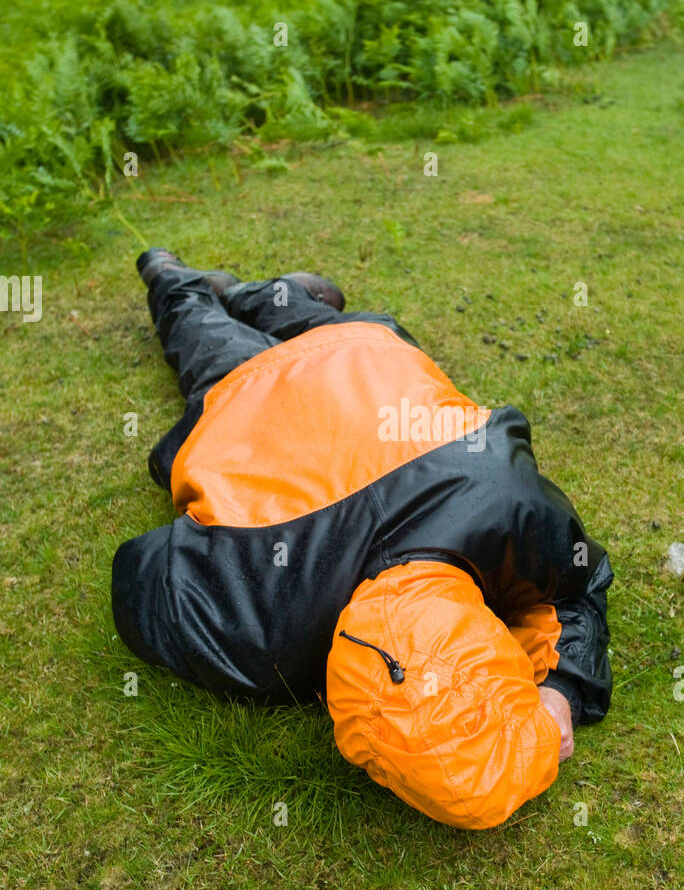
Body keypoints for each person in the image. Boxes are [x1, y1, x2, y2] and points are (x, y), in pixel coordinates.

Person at [113, 249, 614, 829]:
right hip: (266, 394)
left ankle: (237, 289)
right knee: (200, 332)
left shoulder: (509, 504)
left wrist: (556, 695)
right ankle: (184, 280)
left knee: (258, 329)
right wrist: (564, 690)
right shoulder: (256, 635)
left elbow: (574, 582)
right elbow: (140, 571)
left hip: (354, 356)